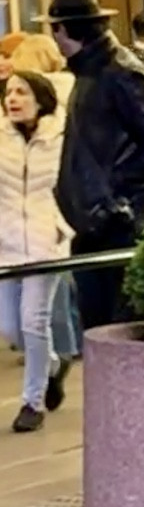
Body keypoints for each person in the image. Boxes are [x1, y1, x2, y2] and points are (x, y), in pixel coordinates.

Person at [46, 0, 144, 332]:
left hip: (118, 223)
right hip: (100, 221)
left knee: (117, 333)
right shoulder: (94, 72)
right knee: (102, 333)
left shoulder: (118, 73)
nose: (54, 38)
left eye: (55, 29)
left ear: (65, 29)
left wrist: (114, 190)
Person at [0, 69, 72, 432]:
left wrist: (64, 226)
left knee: (33, 321)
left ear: (41, 98)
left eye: (22, 92)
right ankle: (54, 364)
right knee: (10, 328)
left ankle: (33, 402)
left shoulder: (61, 136)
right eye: (9, 93)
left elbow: (76, 183)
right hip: (5, 245)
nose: (12, 99)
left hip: (46, 242)